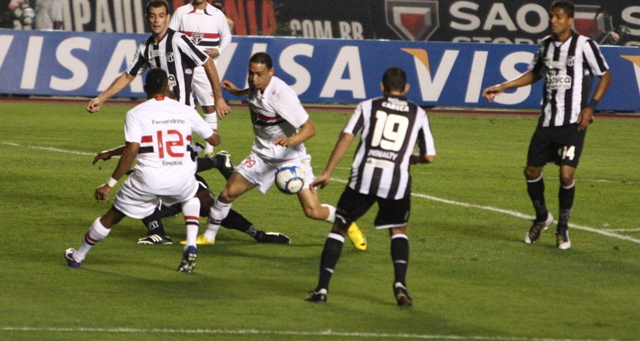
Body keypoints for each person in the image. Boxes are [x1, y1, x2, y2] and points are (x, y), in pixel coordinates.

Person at [199, 52, 367, 250]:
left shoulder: (282, 96)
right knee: (227, 194)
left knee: (313, 211)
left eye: (259, 74)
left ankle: (347, 223)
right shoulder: (256, 84)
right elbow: (254, 93)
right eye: (251, 73)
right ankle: (209, 236)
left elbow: (310, 128)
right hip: (262, 155)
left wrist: (290, 140)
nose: (254, 78)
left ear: (271, 72)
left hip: (290, 157)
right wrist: (237, 92)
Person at [482, 0, 612, 250]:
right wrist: (503, 86)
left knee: (566, 174)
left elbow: (605, 75)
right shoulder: (545, 46)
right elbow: (535, 73)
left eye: (559, 17)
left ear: (570, 20)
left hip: (573, 122)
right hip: (548, 120)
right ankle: (542, 217)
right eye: (551, 16)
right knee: (531, 171)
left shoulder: (585, 45)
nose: (553, 20)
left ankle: (562, 228)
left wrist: (591, 107)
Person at [65, 69, 221, 272]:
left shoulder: (135, 113)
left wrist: (110, 184)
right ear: (168, 87)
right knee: (191, 194)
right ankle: (191, 243)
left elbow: (133, 150)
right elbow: (214, 140)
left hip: (150, 179)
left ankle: (78, 256)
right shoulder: (185, 110)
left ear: (145, 88)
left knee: (113, 216)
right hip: (181, 177)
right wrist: (210, 131)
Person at [305, 67, 436, 305]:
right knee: (398, 230)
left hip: (363, 179)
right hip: (397, 182)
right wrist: (409, 158)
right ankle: (400, 285)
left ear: (382, 87)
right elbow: (429, 156)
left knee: (339, 228)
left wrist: (328, 172)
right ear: (406, 88)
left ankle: (322, 289)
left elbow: (347, 137)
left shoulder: (367, 106)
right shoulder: (418, 113)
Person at [92, 144, 290, 245]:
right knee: (142, 193)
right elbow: (138, 145)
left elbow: (209, 139)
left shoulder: (172, 118)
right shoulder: (164, 120)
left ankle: (258, 234)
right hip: (167, 183)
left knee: (212, 207)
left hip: (184, 181)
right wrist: (112, 152)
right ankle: (158, 233)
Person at [86, 0, 229, 119]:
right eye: (153, 16)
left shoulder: (179, 40)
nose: (156, 21)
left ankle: (200, 150)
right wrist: (101, 98)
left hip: (181, 112)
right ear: (146, 18)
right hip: (158, 111)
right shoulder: (145, 47)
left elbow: (208, 62)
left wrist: (218, 97)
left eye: (161, 16)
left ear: (168, 18)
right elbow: (128, 76)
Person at [168, 0, 232, 157]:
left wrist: (218, 51)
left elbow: (227, 36)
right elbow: (170, 36)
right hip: (184, 66)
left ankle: (210, 151)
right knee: (183, 106)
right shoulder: (181, 12)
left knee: (209, 106)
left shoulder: (216, 14)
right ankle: (184, 145)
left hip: (206, 69)